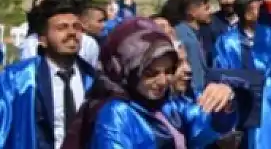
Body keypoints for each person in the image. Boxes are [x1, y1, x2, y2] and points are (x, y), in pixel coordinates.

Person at [62, 18, 240, 148]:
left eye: (168, 71)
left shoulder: (165, 105)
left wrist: (224, 101)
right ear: (126, 70)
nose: (162, 81)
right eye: (150, 73)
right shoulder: (117, 112)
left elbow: (205, 125)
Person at [0, 0, 97, 149]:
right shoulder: (17, 80)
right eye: (62, 27)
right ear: (42, 39)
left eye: (76, 27)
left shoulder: (93, 80)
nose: (72, 33)